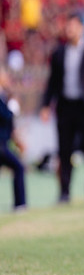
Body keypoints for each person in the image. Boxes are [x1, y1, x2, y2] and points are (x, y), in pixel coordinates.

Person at [40, 12, 84, 204]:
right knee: (64, 149)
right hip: (65, 106)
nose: (70, 30)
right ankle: (64, 191)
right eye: (68, 26)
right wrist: (46, 105)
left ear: (82, 28)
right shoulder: (59, 53)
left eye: (73, 26)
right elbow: (52, 83)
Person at [0, 66, 26, 212]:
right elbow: (5, 116)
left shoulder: (3, 95)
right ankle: (20, 204)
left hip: (4, 143)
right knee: (19, 167)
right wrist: (12, 110)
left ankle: (20, 204)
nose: (7, 78)